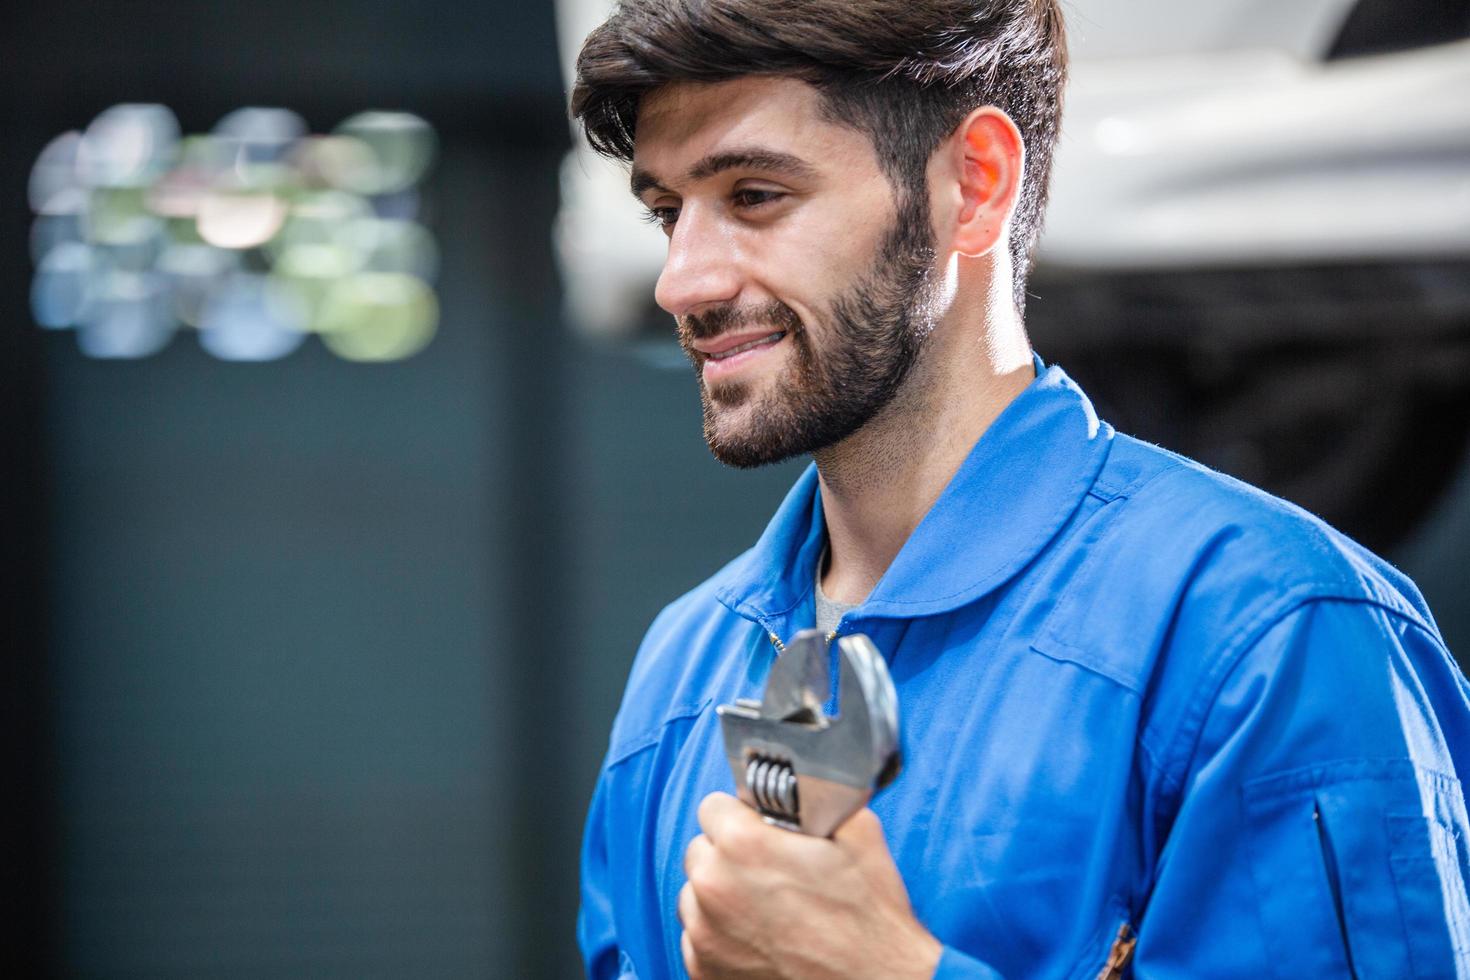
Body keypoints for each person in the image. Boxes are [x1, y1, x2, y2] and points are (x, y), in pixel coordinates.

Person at [570, 1, 1470, 977]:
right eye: (668, 213)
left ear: (975, 181)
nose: (682, 281)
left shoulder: (1270, 633)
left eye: (753, 195)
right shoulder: (681, 672)